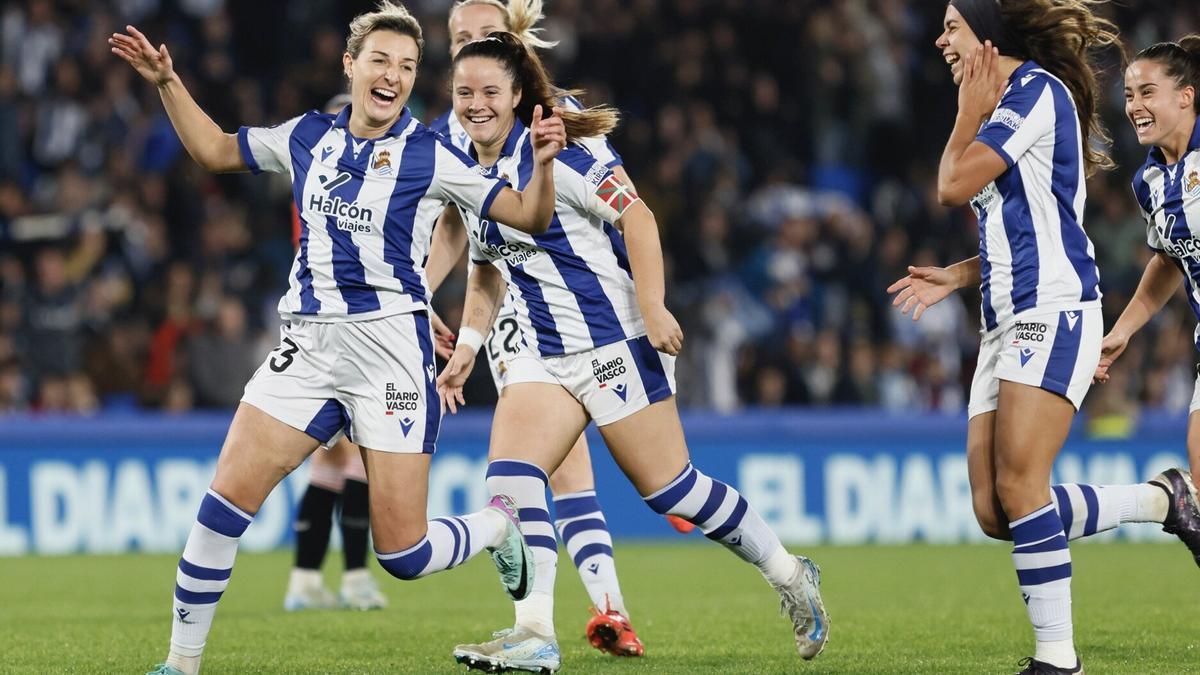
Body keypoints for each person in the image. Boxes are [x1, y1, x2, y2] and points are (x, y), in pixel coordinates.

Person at [110, 2, 570, 673]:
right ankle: (179, 665)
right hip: (306, 347)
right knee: (221, 506)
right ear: (351, 65)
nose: (394, 75)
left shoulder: (433, 155)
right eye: (382, 60)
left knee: (403, 554)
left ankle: (499, 526)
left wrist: (546, 163)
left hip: (389, 355)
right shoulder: (307, 137)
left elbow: (527, 214)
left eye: (408, 67)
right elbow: (213, 149)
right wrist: (166, 83)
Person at [437, 32, 828, 674]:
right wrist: (472, 342)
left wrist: (652, 307)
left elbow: (639, 219)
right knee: (508, 481)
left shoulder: (561, 153)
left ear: (516, 97)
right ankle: (533, 633)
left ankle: (789, 573)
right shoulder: (462, 165)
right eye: (462, 93)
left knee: (674, 491)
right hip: (540, 352)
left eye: (488, 92)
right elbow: (485, 266)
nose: (474, 105)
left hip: (612, 342)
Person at [887, 2, 1198, 673]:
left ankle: (1058, 659)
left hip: (1054, 310)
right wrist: (958, 274)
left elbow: (950, 185)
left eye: (951, 25)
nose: (940, 39)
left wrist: (968, 111)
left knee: (1023, 487)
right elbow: (1029, 222)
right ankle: (1162, 499)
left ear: (984, 33)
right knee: (994, 509)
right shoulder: (1010, 104)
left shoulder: (1035, 92)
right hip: (1002, 317)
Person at [423, 0, 663, 657]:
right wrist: (425, 300)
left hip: (572, 305)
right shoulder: (449, 129)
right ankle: (579, 618)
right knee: (548, 471)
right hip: (510, 309)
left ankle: (574, 616)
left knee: (556, 472)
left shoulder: (555, 111)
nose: (474, 43)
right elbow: (457, 228)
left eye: (487, 34)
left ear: (513, 39)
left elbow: (614, 203)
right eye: (461, 38)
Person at [1093, 36, 1200, 562]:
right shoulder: (1150, 182)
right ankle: (1178, 496)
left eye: (1148, 92)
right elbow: (1167, 261)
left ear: (1186, 95)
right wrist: (1122, 332)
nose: (1134, 105)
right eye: (1130, 94)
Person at [281, 93, 387, 614]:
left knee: (329, 464)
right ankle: (354, 578)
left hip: (314, 321)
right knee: (358, 459)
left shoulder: (313, 174)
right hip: (342, 328)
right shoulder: (344, 186)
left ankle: (304, 579)